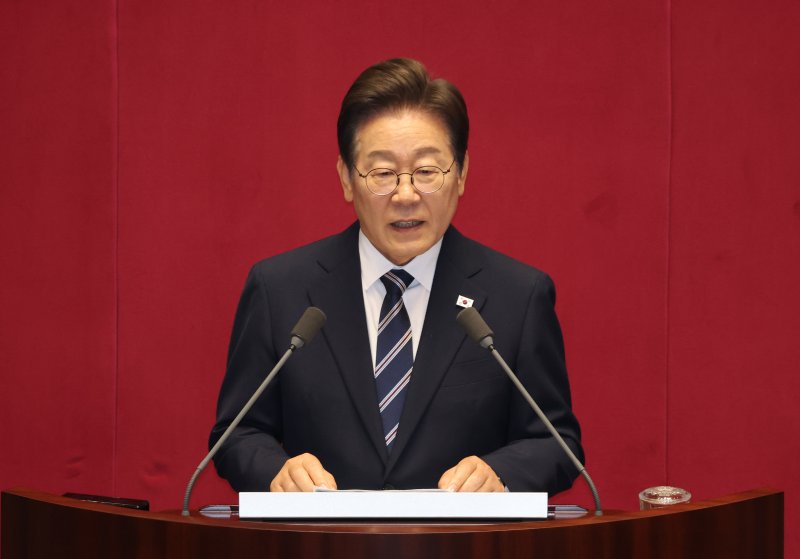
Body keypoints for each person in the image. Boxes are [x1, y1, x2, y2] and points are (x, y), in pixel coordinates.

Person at [210, 58, 584, 494]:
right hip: (320, 533)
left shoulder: (518, 296)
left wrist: (501, 473)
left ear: (461, 174)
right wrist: (278, 471)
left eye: (426, 172)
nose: (406, 195)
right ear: (346, 179)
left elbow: (557, 444)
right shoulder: (280, 290)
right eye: (383, 173)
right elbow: (236, 434)